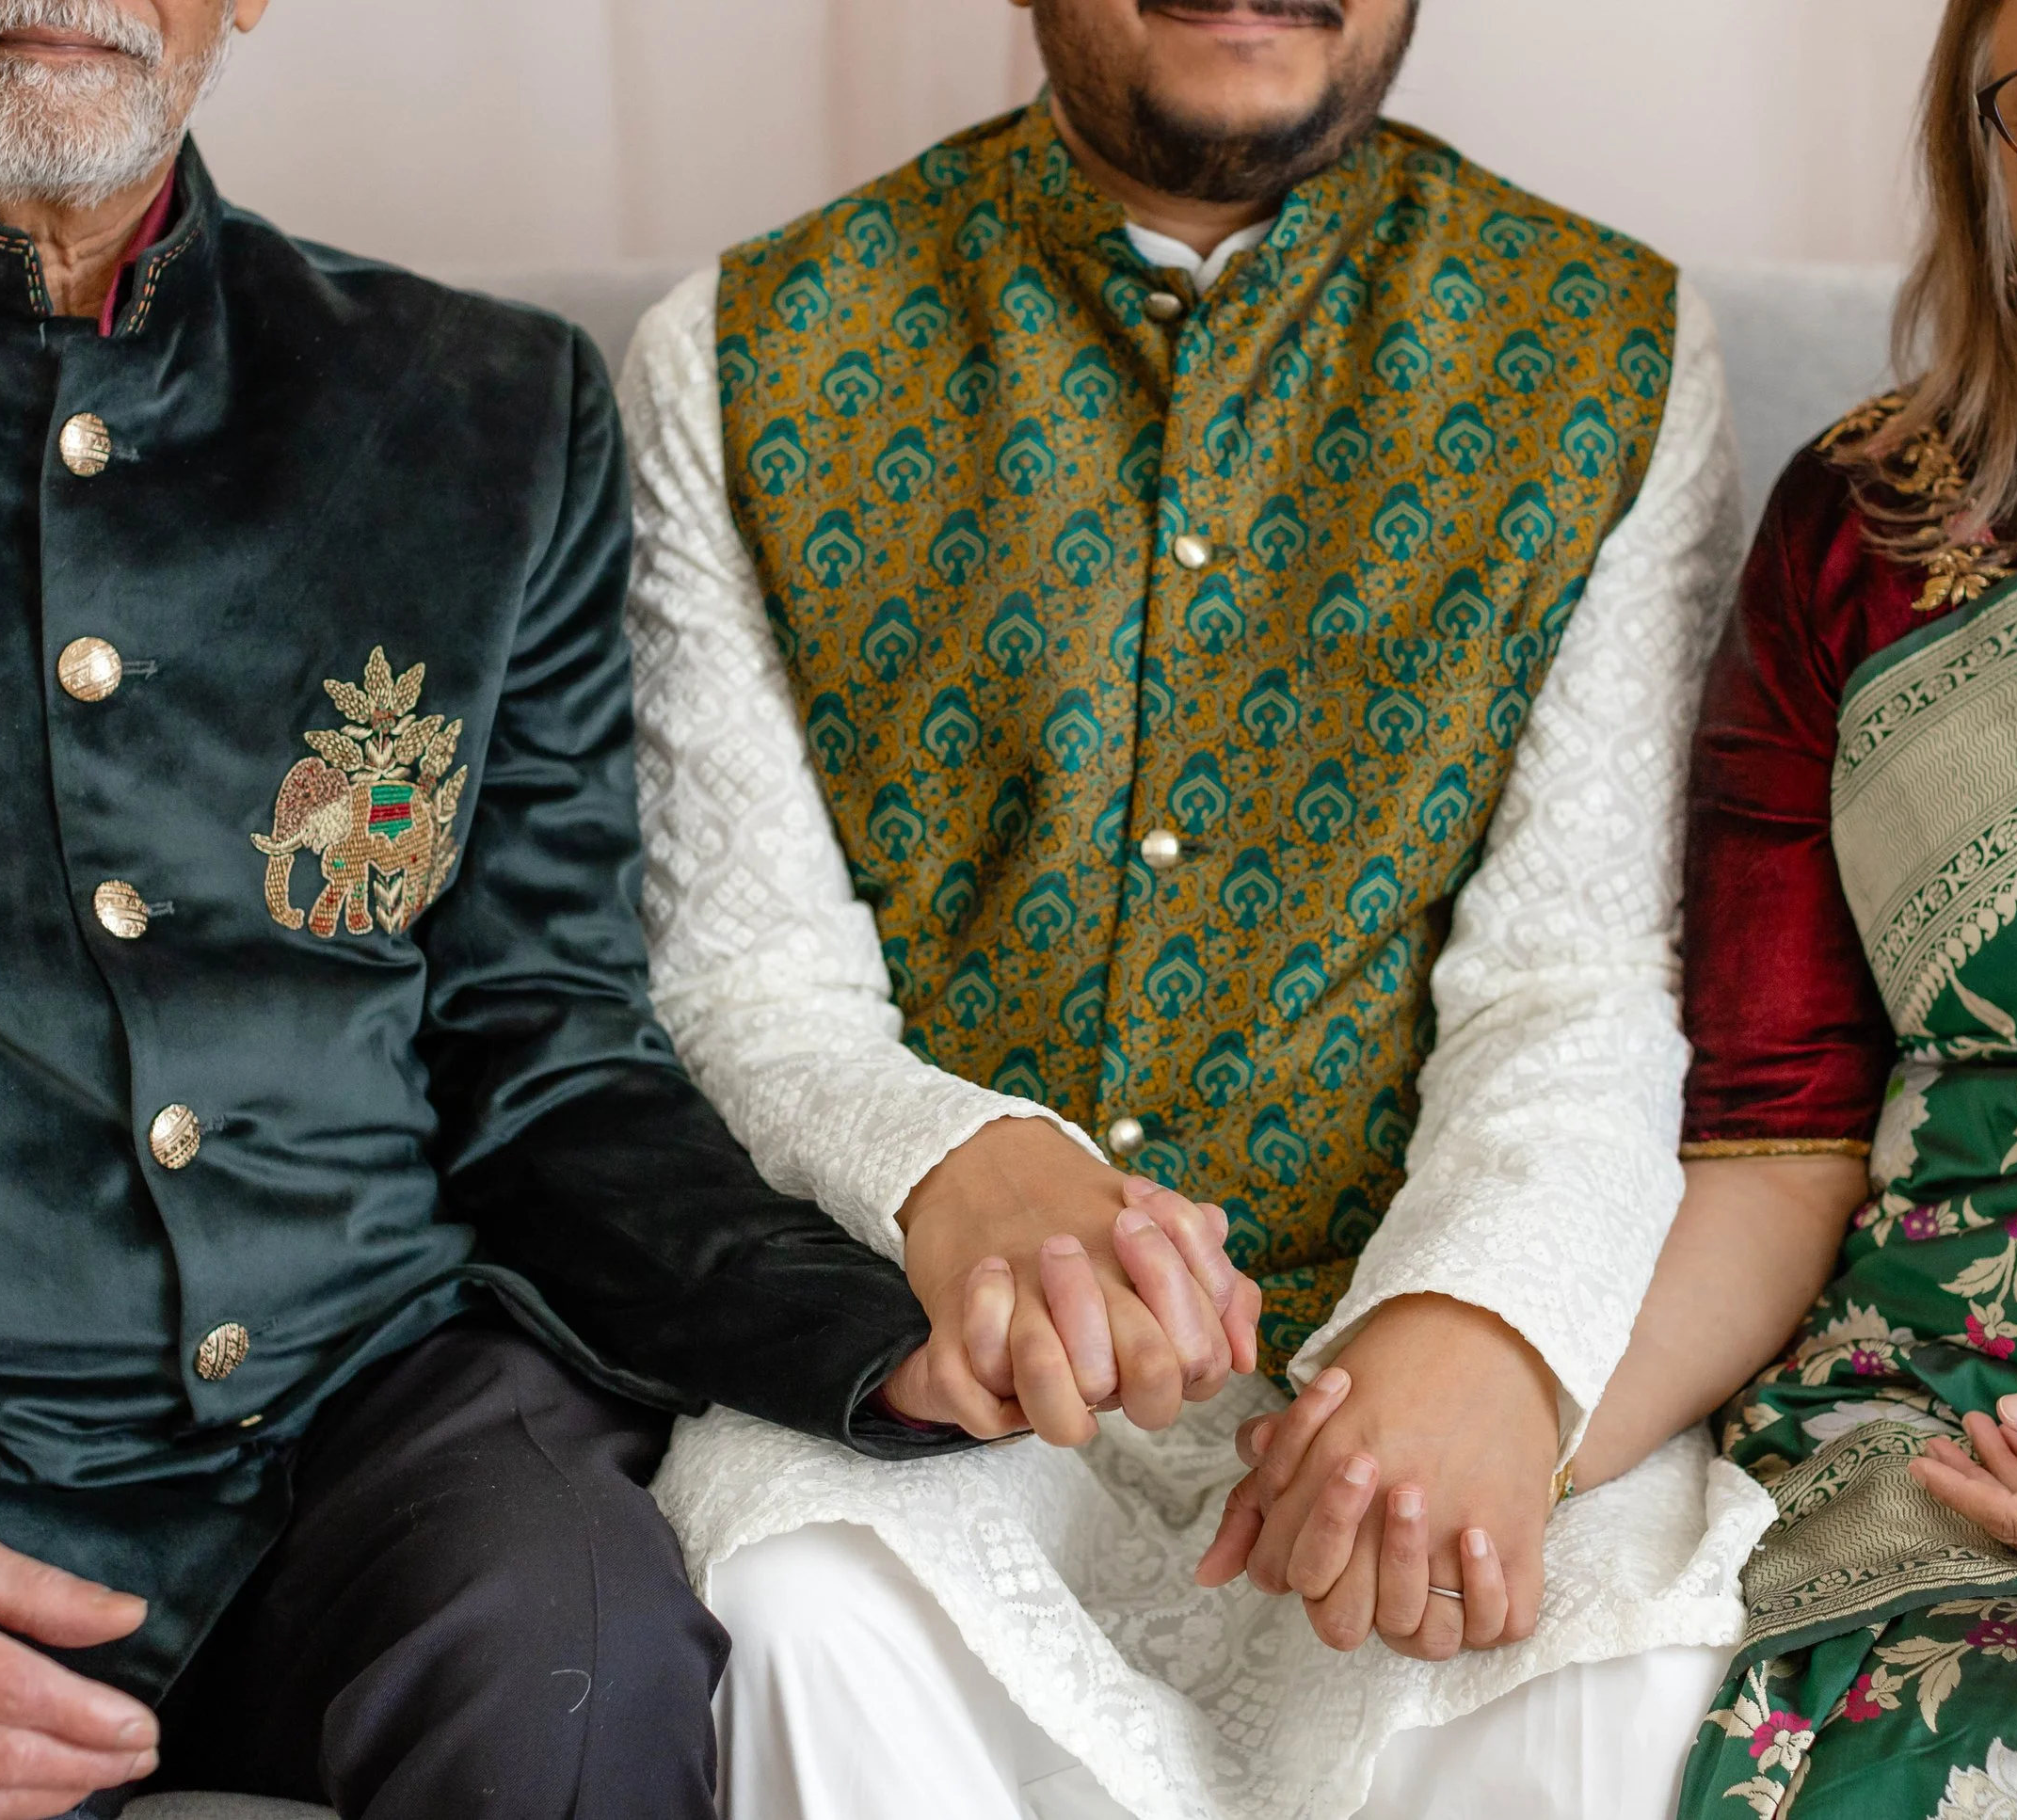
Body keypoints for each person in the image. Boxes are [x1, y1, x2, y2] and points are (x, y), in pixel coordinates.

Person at [621, 1, 1769, 1812]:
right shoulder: (740, 350)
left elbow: (1574, 972)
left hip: (1407, 1322)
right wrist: (959, 1168)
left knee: (1608, 1682)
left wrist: (1475, 1325)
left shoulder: (1613, 348)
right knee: (798, 1603)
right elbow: (745, 977)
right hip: (949, 1381)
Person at [0, 2, 1022, 1816]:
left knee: (572, 1650)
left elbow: (549, 1060)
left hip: (381, 1433)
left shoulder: (485, 412)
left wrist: (882, 1329)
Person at [1403, 0, 2017, 1812]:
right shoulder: (1867, 531)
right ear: (1992, 179)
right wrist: (1514, 1435)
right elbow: (1778, 1141)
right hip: (1947, 1423)